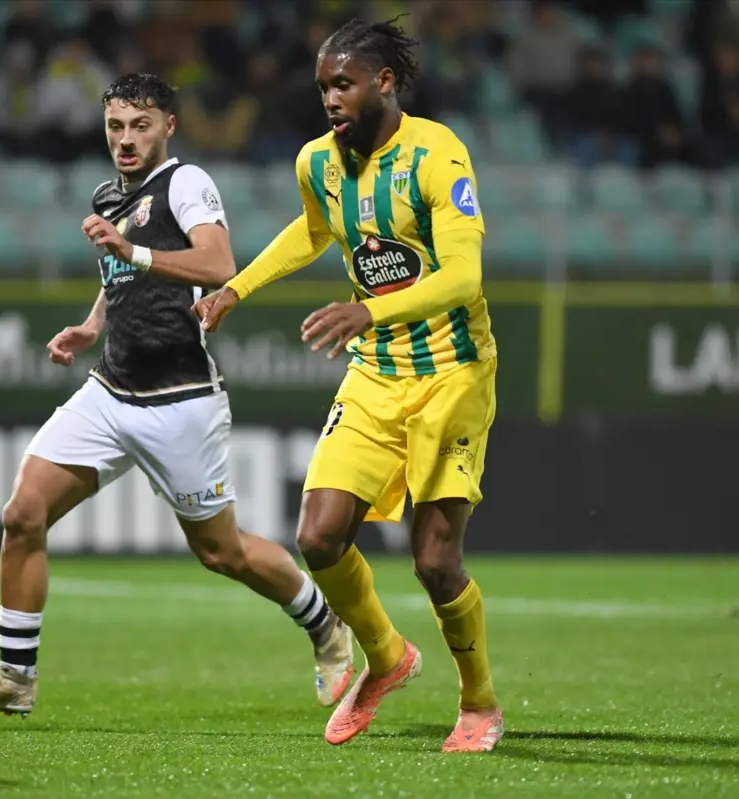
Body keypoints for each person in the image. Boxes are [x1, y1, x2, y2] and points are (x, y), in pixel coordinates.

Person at [0, 73, 355, 718]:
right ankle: (16, 676)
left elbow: (217, 263)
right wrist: (92, 324)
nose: (125, 140)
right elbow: (120, 274)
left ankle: (326, 627)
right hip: (110, 389)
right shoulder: (109, 193)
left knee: (223, 552)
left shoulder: (185, 184)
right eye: (114, 127)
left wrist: (131, 247)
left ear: (168, 127)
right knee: (22, 514)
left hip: (180, 398)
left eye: (140, 126)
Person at [195, 19, 504, 753]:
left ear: (385, 82)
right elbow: (310, 232)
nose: (331, 97)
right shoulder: (318, 163)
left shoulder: (436, 152)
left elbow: (464, 276)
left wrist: (365, 307)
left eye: (344, 83)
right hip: (376, 373)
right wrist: (235, 289)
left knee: (434, 559)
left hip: (452, 372)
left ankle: (480, 702)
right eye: (324, 86)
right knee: (319, 534)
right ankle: (388, 657)